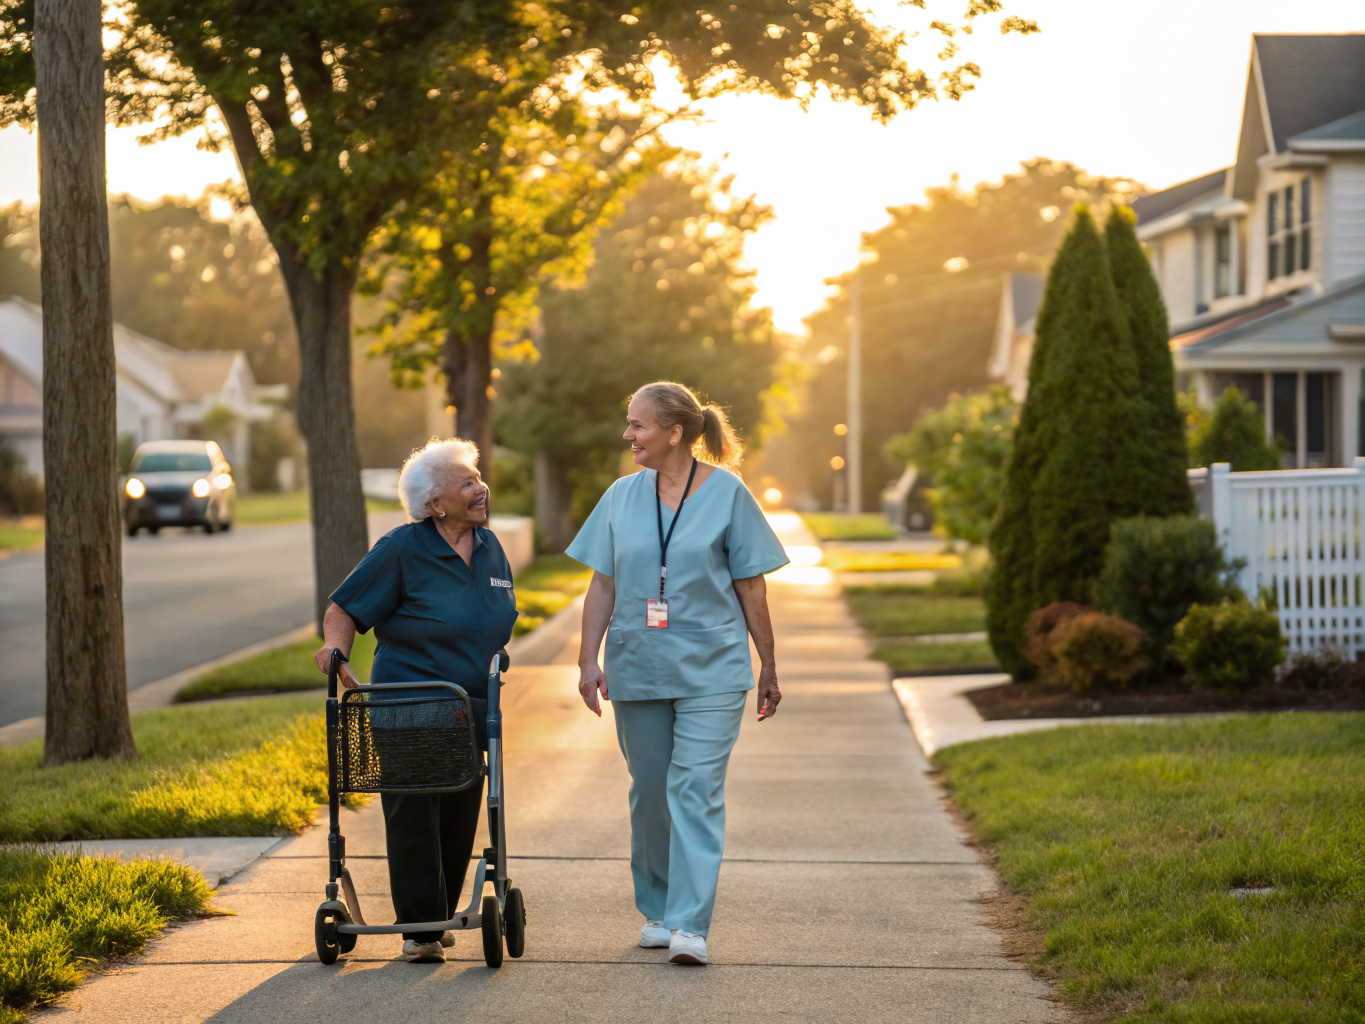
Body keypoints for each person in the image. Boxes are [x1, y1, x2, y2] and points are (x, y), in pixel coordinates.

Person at [567, 381, 789, 966]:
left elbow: (751, 585)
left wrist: (768, 663)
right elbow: (603, 585)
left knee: (694, 788)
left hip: (714, 667)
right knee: (652, 794)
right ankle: (661, 909)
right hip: (638, 664)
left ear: (674, 432)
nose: (628, 434)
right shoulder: (619, 496)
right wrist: (588, 660)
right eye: (628, 423)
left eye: (638, 425)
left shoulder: (729, 494)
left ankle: (691, 924)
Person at [313, 438, 518, 964]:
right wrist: (336, 649)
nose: (481, 488)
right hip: (408, 706)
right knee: (414, 813)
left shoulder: (491, 547)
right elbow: (344, 609)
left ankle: (437, 915)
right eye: (467, 482)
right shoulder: (402, 548)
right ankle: (420, 928)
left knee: (459, 809)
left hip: (469, 708)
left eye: (478, 478)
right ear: (434, 504)